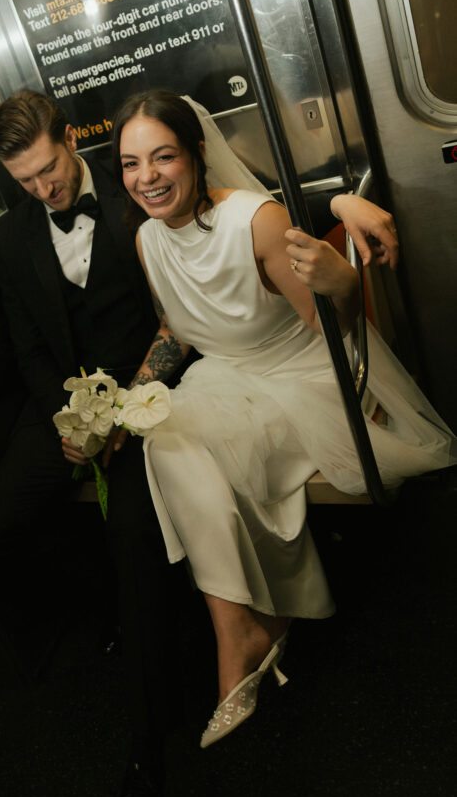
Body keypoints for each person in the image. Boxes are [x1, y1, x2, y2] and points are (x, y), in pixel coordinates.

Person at [0, 87, 406, 797]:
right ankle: (113, 606)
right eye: (24, 181)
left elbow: (242, 214)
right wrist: (70, 421)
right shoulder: (13, 239)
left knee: (135, 532)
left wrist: (341, 202)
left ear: (71, 140)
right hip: (69, 407)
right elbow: (29, 348)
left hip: (155, 390)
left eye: (48, 170)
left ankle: (148, 746)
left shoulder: (138, 191)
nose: (43, 189)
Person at [110, 88, 456, 752]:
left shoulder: (255, 221)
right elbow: (175, 327)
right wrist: (130, 399)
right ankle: (239, 626)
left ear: (196, 154)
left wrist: (344, 286)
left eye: (162, 157)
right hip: (224, 376)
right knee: (164, 440)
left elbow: (334, 332)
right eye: (131, 163)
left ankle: (246, 634)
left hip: (298, 373)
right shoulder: (147, 239)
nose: (146, 177)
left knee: (187, 449)